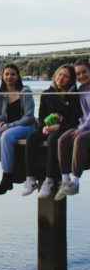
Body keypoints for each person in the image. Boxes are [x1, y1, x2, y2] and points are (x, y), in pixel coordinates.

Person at [22, 64, 81, 198]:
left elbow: (75, 119)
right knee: (32, 137)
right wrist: (43, 127)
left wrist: (59, 126)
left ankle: (50, 180)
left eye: (66, 76)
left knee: (53, 139)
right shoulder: (47, 93)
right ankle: (30, 179)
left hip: (65, 128)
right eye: (60, 74)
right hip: (47, 128)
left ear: (71, 79)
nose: (61, 78)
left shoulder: (74, 95)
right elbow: (41, 117)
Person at [0, 64, 37, 195]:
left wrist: (9, 126)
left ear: (18, 76)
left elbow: (29, 117)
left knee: (6, 136)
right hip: (6, 126)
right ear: (3, 76)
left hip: (26, 126)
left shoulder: (25, 91)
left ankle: (7, 178)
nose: (9, 77)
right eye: (6, 74)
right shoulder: (1, 95)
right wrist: (1, 123)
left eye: (13, 74)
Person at [55, 58, 90, 200]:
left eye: (84, 72)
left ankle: (75, 182)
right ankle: (65, 181)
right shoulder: (81, 90)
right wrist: (80, 127)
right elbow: (83, 114)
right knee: (63, 139)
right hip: (85, 126)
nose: (81, 76)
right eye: (78, 74)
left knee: (79, 139)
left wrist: (82, 128)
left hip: (86, 128)